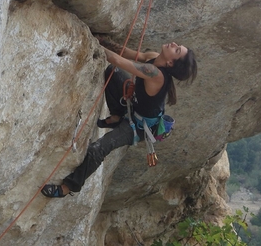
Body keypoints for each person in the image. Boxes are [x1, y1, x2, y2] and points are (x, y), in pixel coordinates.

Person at [41, 36, 197, 198]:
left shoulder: (156, 74)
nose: (174, 44)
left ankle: (68, 187)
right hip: (134, 107)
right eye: (178, 45)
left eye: (176, 50)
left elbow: (118, 60)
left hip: (138, 127)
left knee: (98, 149)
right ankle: (117, 115)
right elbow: (127, 53)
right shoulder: (153, 57)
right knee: (111, 72)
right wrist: (103, 40)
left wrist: (88, 39)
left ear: (170, 63)